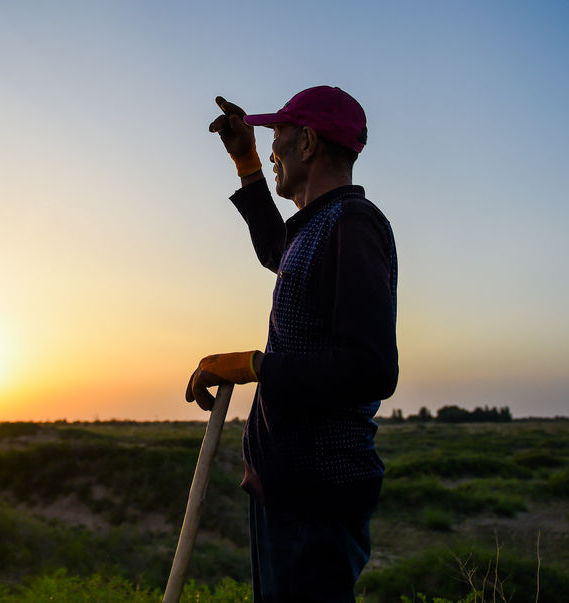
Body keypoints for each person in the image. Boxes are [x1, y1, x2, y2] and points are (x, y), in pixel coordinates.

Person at [185, 86, 398, 602]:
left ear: (307, 142)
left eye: (276, 135)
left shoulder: (354, 225)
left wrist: (255, 365)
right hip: (286, 490)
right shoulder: (319, 227)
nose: (272, 146)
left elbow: (370, 370)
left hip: (317, 495)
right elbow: (275, 249)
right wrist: (246, 161)